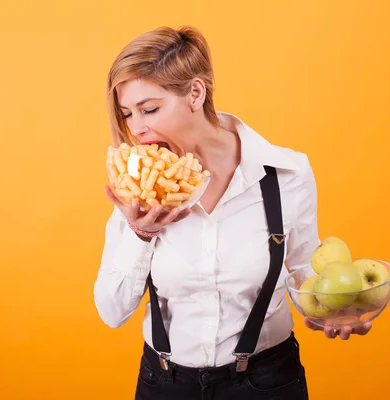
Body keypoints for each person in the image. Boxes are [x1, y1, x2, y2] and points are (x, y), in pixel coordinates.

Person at [94, 25, 372, 400]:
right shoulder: (139, 185)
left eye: (150, 109)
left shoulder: (285, 174)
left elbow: (304, 271)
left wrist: (330, 311)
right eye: (128, 113)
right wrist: (139, 235)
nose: (137, 129)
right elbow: (112, 312)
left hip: (267, 382)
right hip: (166, 384)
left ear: (195, 92)